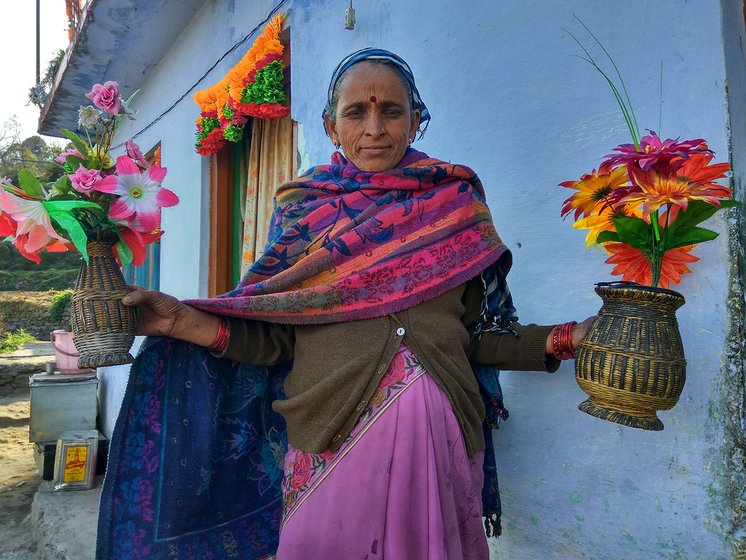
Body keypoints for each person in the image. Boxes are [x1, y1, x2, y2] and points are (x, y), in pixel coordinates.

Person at [99, 48, 592, 560]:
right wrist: (181, 321)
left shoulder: (456, 205)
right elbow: (275, 335)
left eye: (392, 111)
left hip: (443, 438)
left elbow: (481, 333)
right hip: (328, 438)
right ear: (332, 127)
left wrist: (565, 338)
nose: (375, 127)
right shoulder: (303, 213)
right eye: (356, 112)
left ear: (416, 120)